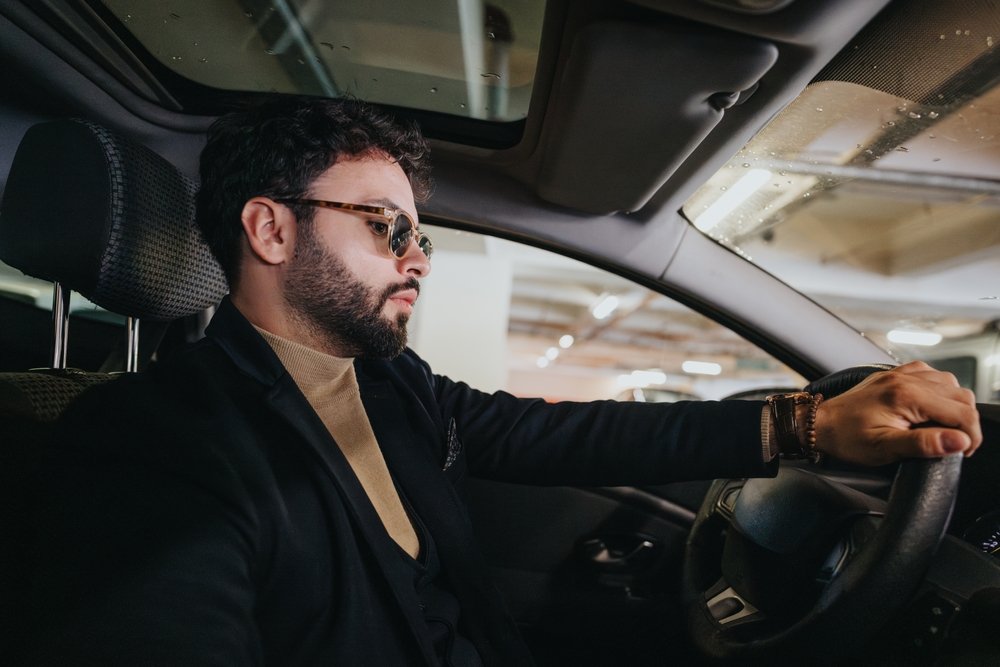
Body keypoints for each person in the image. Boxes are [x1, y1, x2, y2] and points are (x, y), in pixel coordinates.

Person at [24, 97, 981, 666]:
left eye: (419, 235)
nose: (417, 257)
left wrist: (804, 426)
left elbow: (550, 433)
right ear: (271, 229)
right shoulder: (149, 442)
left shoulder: (387, 384)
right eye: (386, 227)